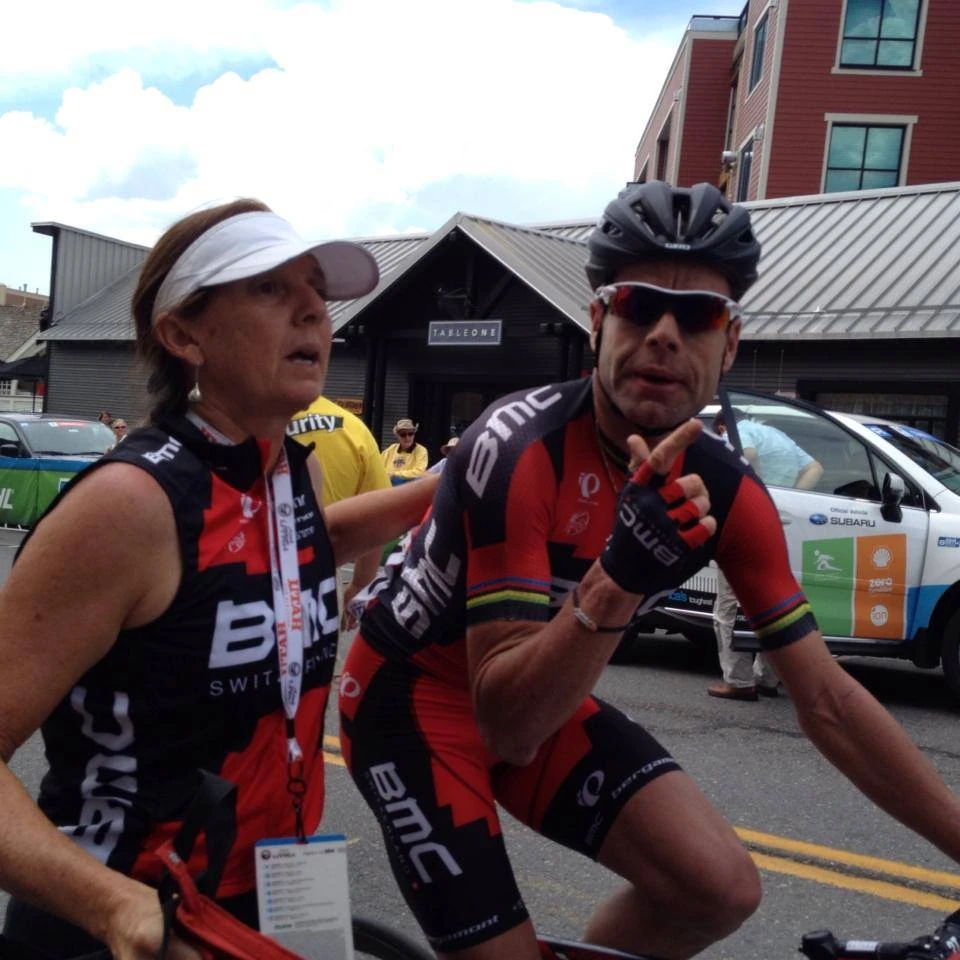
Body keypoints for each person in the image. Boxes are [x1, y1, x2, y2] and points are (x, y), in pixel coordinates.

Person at [339, 181, 960, 960]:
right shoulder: (519, 446)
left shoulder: (730, 492)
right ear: (597, 322)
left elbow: (829, 700)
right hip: (412, 702)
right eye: (639, 307)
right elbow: (508, 723)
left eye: (698, 315)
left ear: (729, 345)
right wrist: (622, 572)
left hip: (537, 684)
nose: (665, 334)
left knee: (721, 889)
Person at [0, 199, 438, 959]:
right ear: (183, 334)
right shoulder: (128, 504)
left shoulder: (276, 469)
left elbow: (298, 546)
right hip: (127, 919)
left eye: (315, 290)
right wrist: (111, 906)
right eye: (269, 289)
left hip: (272, 891)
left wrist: (469, 474)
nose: (312, 308)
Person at [707, 409, 823, 701]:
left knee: (729, 605)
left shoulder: (737, 431)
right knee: (773, 601)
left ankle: (738, 680)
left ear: (723, 426)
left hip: (747, 522)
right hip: (778, 521)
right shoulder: (779, 436)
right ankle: (768, 678)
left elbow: (747, 453)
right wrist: (786, 497)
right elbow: (816, 468)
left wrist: (753, 493)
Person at [288, 395, 391, 630]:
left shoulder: (248, 419)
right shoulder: (354, 428)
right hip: (322, 577)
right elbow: (376, 517)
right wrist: (359, 585)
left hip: (244, 572)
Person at [381, 418, 428, 484]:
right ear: (397, 436)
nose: (407, 438)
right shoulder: (391, 449)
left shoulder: (421, 450)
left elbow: (419, 472)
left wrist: (395, 474)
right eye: (403, 435)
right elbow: (378, 465)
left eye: (410, 434)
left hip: (409, 486)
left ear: (414, 435)